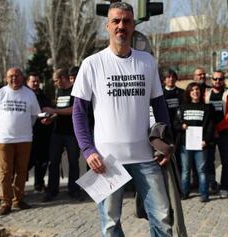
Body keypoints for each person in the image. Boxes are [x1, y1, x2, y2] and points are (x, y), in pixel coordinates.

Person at [71, 2, 173, 236]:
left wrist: (165, 145)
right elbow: (78, 112)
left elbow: (160, 107)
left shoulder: (147, 61)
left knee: (162, 217)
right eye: (116, 21)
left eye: (126, 21)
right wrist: (88, 150)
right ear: (107, 25)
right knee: (110, 223)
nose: (121, 26)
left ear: (133, 25)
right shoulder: (92, 64)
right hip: (106, 160)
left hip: (146, 156)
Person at [0, 67, 41, 215]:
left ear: (22, 77)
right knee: (5, 171)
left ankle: (19, 199)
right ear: (6, 78)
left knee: (22, 170)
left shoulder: (29, 94)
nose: (13, 78)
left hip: (24, 138)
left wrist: (24, 128)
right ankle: (6, 202)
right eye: (10, 76)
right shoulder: (0, 93)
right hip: (4, 139)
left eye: (17, 76)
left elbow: (33, 116)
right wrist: (0, 126)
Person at [43, 68, 81, 202]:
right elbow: (59, 110)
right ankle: (52, 190)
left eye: (55, 81)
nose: (55, 84)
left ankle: (74, 189)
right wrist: (51, 117)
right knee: (53, 162)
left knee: (73, 162)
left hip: (72, 133)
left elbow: (73, 110)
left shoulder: (75, 91)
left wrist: (54, 110)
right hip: (57, 132)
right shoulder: (58, 91)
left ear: (62, 78)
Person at [175, 82, 214, 202]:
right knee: (186, 171)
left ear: (200, 92)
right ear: (189, 93)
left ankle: (204, 194)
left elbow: (210, 127)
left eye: (197, 89)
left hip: (201, 144)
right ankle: (184, 193)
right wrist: (182, 126)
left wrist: (205, 141)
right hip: (185, 144)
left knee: (202, 171)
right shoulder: (182, 107)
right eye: (192, 90)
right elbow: (175, 124)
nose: (195, 92)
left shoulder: (207, 108)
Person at [204, 70, 228, 198]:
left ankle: (225, 186)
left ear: (224, 80)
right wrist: (212, 130)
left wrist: (217, 129)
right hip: (210, 133)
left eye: (220, 79)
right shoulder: (206, 95)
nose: (218, 81)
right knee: (209, 160)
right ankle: (212, 184)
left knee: (225, 161)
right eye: (215, 79)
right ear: (211, 80)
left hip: (224, 132)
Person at [26, 73, 53, 192]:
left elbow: (51, 110)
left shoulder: (43, 95)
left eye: (37, 81)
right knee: (28, 161)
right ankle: (18, 185)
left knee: (42, 161)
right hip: (28, 133)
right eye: (33, 81)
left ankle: (39, 184)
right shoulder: (24, 95)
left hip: (43, 133)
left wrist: (50, 118)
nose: (36, 83)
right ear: (27, 82)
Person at [162, 69, 184, 171]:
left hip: (179, 129)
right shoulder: (160, 93)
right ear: (164, 80)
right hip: (164, 128)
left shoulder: (182, 93)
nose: (171, 79)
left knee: (179, 155)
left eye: (173, 77)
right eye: (168, 77)